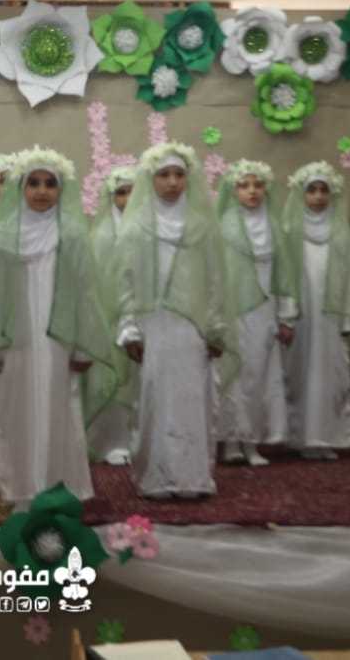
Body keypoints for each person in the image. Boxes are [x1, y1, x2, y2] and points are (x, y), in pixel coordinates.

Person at [0, 146, 117, 506]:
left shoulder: (72, 235)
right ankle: (21, 486)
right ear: (21, 187)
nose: (42, 191)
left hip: (59, 339)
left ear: (62, 189)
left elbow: (84, 291)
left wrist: (82, 344)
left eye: (50, 183)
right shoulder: (4, 235)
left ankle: (61, 486)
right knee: (15, 409)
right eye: (33, 183)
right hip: (15, 340)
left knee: (59, 404)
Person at [115, 142, 236, 499]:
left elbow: (214, 280)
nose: (171, 182)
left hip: (191, 327)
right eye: (163, 175)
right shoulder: (137, 227)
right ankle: (156, 477)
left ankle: (192, 478)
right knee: (153, 398)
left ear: (189, 179)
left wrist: (215, 327)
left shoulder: (201, 226)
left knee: (191, 399)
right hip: (152, 325)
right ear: (150, 179)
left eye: (178, 174)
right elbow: (125, 279)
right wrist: (129, 327)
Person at [280, 161, 350, 461]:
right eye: (312, 190)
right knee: (300, 372)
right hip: (301, 317)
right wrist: (286, 315)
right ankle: (300, 437)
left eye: (324, 191)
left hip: (330, 318)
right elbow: (282, 277)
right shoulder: (289, 231)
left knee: (331, 373)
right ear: (301, 194)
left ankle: (328, 437)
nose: (319, 197)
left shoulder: (340, 233)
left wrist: (347, 318)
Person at [214, 160, 298, 467]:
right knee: (233, 371)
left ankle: (252, 442)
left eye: (258, 185)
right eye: (244, 185)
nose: (252, 191)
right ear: (232, 190)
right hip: (233, 309)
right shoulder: (222, 226)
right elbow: (215, 275)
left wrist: (286, 316)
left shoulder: (274, 226)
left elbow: (284, 274)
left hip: (265, 309)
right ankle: (230, 440)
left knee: (259, 372)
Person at [87, 165, 138, 465]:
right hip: (110, 316)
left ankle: (141, 439)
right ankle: (113, 441)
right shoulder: (102, 235)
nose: (128, 198)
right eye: (121, 192)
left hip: (143, 317)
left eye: (133, 191)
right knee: (115, 378)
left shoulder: (149, 229)